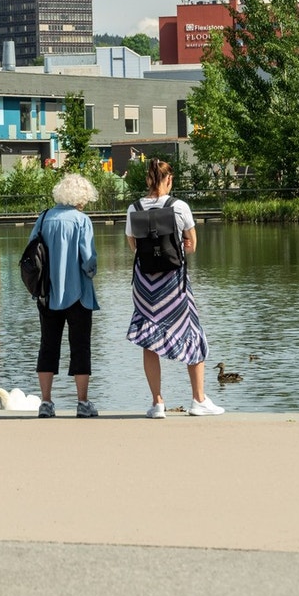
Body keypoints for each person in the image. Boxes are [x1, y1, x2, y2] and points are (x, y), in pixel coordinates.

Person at [126, 157, 223, 418]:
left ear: (148, 179)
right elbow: (191, 244)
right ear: (169, 179)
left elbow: (133, 246)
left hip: (145, 284)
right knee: (192, 333)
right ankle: (198, 400)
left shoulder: (133, 208)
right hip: (173, 282)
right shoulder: (180, 206)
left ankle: (157, 403)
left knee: (148, 338)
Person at [28, 172, 101, 419]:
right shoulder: (82, 221)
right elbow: (88, 261)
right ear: (81, 196)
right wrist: (92, 272)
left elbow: (31, 254)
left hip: (47, 294)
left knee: (48, 346)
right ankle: (82, 403)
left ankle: (46, 403)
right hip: (78, 294)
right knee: (80, 347)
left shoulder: (44, 217)